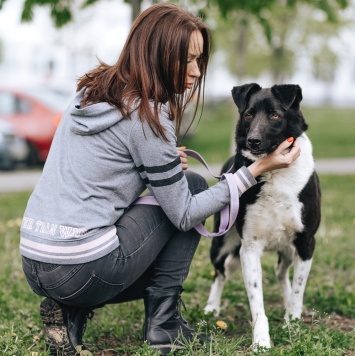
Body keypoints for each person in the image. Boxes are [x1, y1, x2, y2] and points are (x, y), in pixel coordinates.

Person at [20, 3, 301, 355]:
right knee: (195, 189)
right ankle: (163, 326)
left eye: (200, 61)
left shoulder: (92, 91)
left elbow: (99, 176)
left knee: (176, 191)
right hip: (80, 269)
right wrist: (255, 170)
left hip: (35, 262)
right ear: (156, 53)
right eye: (187, 60)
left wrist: (154, 166)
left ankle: (68, 307)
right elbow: (183, 214)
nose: (197, 72)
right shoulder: (147, 115)